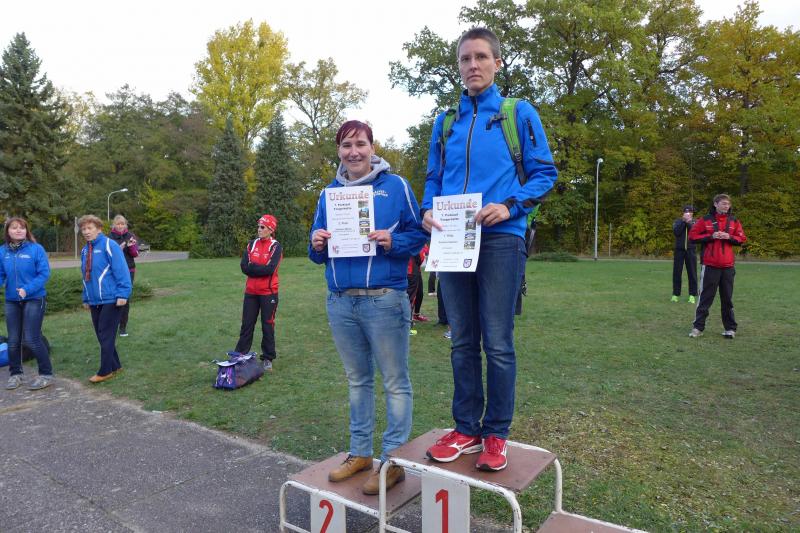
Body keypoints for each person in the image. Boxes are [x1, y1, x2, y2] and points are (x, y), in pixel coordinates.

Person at [422, 27, 558, 471]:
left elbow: (545, 173)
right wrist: (426, 210)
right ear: (458, 66)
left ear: (498, 63)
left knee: (497, 342)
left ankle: (496, 433)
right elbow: (433, 177)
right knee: (461, 339)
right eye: (465, 59)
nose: (473, 65)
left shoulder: (518, 113)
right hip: (451, 238)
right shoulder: (445, 122)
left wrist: (510, 205)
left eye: (481, 57)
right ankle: (466, 428)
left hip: (501, 237)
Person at [309, 120, 426, 495]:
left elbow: (419, 233)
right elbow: (316, 251)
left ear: (372, 148)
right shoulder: (329, 194)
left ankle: (393, 461)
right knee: (357, 381)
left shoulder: (396, 186)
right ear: (339, 151)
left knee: (395, 382)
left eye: (360, 144)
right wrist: (316, 241)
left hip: (384, 300)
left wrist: (393, 240)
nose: (353, 151)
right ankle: (360, 453)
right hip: (341, 301)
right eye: (346, 145)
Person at [0, 217, 54, 390]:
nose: (18, 230)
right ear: (8, 231)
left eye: (22, 228)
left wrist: (27, 289)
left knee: (31, 338)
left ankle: (46, 374)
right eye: (14, 228)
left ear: (26, 231)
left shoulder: (36, 249)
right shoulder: (2, 251)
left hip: (34, 298)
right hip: (12, 300)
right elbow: (1, 274)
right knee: (13, 340)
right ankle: (16, 374)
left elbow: (44, 274)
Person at [79, 215, 132, 383]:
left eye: (90, 228)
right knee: (101, 335)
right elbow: (86, 276)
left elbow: (121, 270)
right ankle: (116, 366)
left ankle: (105, 371)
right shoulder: (85, 250)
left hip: (111, 298)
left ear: (99, 229)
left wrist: (123, 294)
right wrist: (86, 298)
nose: (86, 232)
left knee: (105, 334)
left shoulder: (110, 245)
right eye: (83, 229)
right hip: (95, 300)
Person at [688, 194, 747, 338]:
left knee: (727, 299)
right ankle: (698, 328)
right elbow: (692, 236)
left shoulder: (734, 221)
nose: (726, 206)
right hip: (710, 266)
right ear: (715, 204)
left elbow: (742, 238)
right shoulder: (705, 220)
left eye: (728, 204)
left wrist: (730, 237)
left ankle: (730, 329)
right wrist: (710, 236)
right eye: (723, 203)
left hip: (728, 267)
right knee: (705, 298)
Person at [234, 214, 282, 371]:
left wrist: (253, 268)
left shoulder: (275, 246)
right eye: (258, 226)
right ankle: (240, 355)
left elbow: (270, 269)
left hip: (268, 293)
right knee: (247, 324)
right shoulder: (251, 244)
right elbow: (244, 267)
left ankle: (268, 358)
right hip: (251, 292)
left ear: (271, 229)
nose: (259, 229)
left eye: (262, 227)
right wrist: (257, 269)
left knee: (267, 325)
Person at [108, 215, 139, 336]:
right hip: (114, 271)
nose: (120, 226)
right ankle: (112, 325)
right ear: (114, 225)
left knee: (125, 298)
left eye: (122, 224)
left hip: (129, 270)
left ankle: (123, 327)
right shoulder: (109, 238)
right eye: (118, 224)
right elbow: (108, 255)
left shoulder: (130, 236)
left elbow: (135, 254)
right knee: (113, 298)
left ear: (125, 225)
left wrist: (131, 247)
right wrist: (119, 249)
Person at [672, 205, 698, 304]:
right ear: (683, 213)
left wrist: (688, 222)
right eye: (686, 212)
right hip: (679, 250)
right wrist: (683, 222)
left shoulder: (695, 222)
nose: (688, 213)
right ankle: (675, 294)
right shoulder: (678, 221)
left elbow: (694, 232)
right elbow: (676, 232)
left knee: (692, 273)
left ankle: (692, 295)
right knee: (677, 272)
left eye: (690, 212)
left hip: (691, 250)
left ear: (692, 213)